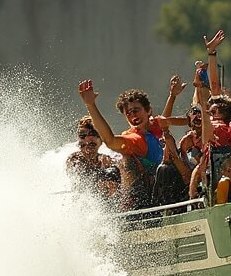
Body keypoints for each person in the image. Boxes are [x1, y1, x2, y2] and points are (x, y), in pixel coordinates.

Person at [77, 80, 190, 210]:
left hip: (176, 182)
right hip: (154, 195)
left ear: (148, 111)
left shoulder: (154, 124)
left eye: (136, 110)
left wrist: (173, 96)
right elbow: (110, 141)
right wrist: (91, 105)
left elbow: (171, 122)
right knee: (164, 170)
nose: (133, 115)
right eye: (128, 113)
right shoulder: (135, 138)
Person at [65, 116, 120, 200]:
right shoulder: (74, 159)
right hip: (85, 201)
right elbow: (80, 184)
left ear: (101, 139)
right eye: (82, 135)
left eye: (93, 134)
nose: (87, 139)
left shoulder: (106, 159)